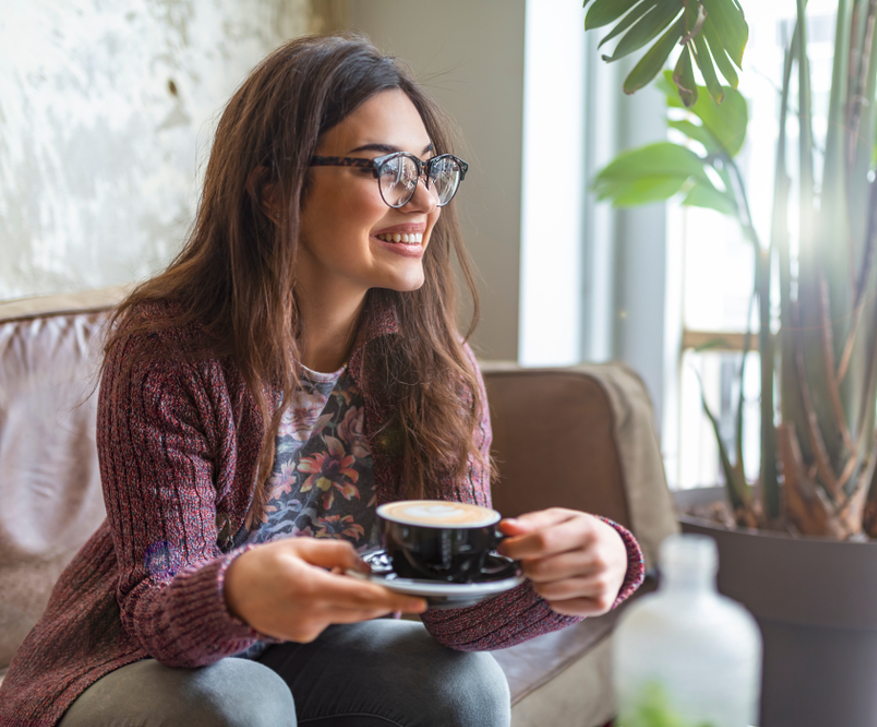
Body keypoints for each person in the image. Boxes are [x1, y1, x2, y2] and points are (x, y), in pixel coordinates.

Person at [0, 33, 644, 727]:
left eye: (432, 171)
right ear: (274, 189)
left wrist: (585, 565)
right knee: (243, 703)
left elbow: (457, 615)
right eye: (387, 170)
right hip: (129, 659)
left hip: (308, 648)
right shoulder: (167, 347)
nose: (423, 199)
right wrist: (240, 592)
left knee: (466, 688)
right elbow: (156, 608)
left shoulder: (434, 362)